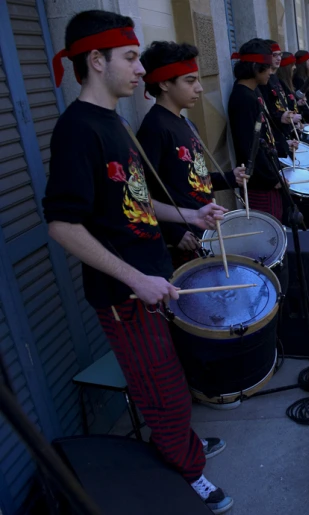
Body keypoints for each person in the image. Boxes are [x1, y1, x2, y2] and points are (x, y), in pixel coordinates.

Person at [44, 10, 232, 512]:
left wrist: (190, 217)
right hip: (124, 294)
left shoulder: (113, 123)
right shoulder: (77, 130)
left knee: (171, 377)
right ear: (96, 59)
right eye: (130, 58)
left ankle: (181, 448)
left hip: (152, 278)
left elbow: (136, 202)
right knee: (159, 388)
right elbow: (62, 224)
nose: (140, 69)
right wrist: (136, 279)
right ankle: (186, 474)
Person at [137, 41, 248, 268]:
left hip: (203, 232)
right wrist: (172, 233)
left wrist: (229, 177)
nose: (200, 88)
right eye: (190, 80)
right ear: (165, 83)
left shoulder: (185, 122)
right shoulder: (154, 128)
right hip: (183, 243)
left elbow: (194, 180)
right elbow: (140, 194)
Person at [227, 39, 297, 223]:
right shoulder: (243, 98)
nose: (271, 73)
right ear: (256, 67)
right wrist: (271, 179)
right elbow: (249, 147)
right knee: (269, 232)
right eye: (268, 68)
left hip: (269, 177)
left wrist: (283, 144)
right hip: (260, 183)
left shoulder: (253, 92)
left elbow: (264, 134)